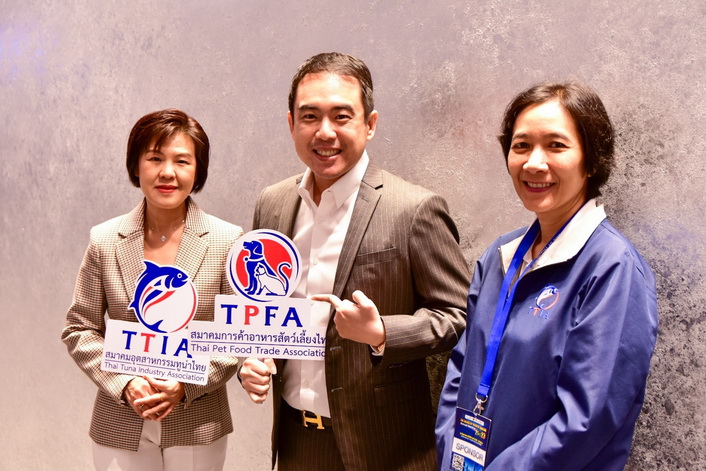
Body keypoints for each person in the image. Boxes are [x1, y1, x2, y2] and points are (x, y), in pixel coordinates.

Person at [238, 52, 470, 470]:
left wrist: (382, 332)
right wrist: (250, 360)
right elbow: (262, 306)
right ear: (291, 124)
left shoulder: (413, 209)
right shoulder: (272, 203)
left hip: (386, 448)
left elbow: (458, 316)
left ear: (370, 124)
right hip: (296, 442)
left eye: (341, 116)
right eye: (310, 117)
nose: (324, 132)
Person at [436, 82, 658, 470]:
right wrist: (449, 449)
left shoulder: (612, 268)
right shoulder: (500, 256)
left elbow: (586, 419)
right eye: (521, 146)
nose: (534, 163)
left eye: (556, 146)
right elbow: (462, 367)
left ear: (591, 160)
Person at [62, 109, 242, 471]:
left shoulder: (228, 240)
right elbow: (79, 329)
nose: (167, 172)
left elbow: (235, 335)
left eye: (182, 160)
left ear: (198, 170)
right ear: (136, 166)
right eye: (155, 158)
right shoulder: (104, 240)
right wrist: (125, 382)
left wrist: (185, 384)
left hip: (197, 419)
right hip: (119, 419)